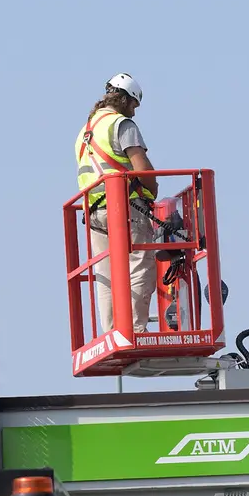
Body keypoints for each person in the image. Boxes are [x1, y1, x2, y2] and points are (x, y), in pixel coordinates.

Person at [75, 72, 159, 337]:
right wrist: (153, 190)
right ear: (124, 99)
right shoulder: (121, 124)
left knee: (106, 274)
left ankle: (112, 332)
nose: (134, 111)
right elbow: (142, 169)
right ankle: (135, 330)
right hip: (125, 207)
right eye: (134, 104)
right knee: (140, 263)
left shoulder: (85, 132)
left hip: (95, 211)